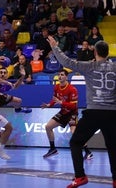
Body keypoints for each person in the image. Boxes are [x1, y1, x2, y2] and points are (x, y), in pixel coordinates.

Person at [47, 36, 116, 188]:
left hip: (93, 113)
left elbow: (67, 62)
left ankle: (80, 177)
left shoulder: (89, 66)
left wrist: (55, 47)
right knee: (113, 147)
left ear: (95, 52)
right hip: (112, 114)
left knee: (76, 142)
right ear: (108, 53)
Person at [41, 69, 92, 160]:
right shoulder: (56, 87)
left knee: (74, 132)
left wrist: (61, 102)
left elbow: (73, 105)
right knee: (48, 127)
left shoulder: (72, 89)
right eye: (59, 75)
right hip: (63, 112)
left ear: (66, 77)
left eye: (62, 75)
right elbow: (55, 99)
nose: (60, 76)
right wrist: (49, 105)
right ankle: (53, 149)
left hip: (72, 113)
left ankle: (88, 151)